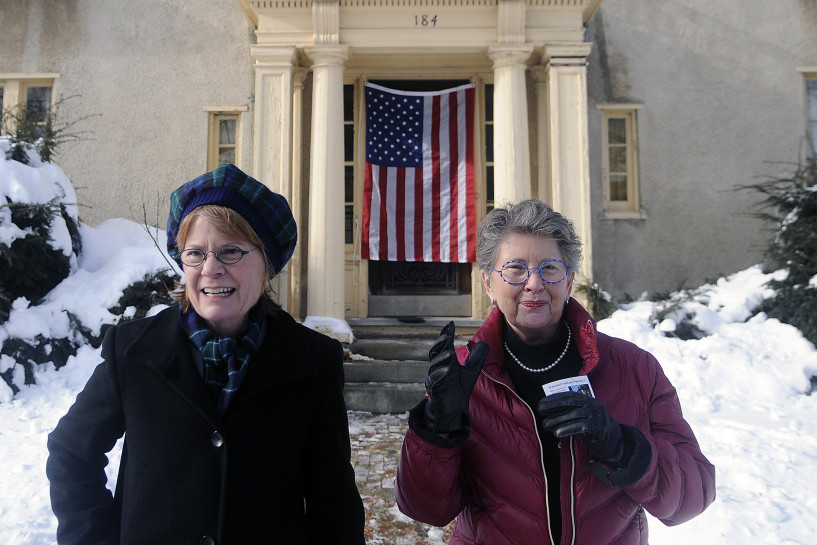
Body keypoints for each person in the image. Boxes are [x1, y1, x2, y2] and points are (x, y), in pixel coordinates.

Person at [46, 163, 365, 545]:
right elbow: (71, 453)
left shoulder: (313, 361)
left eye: (231, 251)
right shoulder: (132, 352)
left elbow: (333, 501)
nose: (210, 269)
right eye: (195, 254)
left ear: (266, 263)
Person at [395, 199, 716, 545]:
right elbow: (426, 509)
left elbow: (693, 496)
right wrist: (436, 430)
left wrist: (622, 447)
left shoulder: (634, 368)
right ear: (489, 284)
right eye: (515, 269)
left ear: (569, 281)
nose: (534, 283)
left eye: (550, 268)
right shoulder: (461, 376)